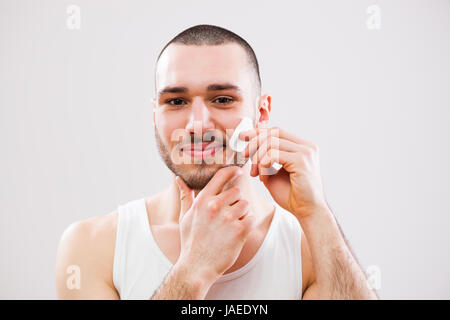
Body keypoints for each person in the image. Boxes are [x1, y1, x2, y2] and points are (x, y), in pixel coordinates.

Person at [55, 24, 379, 300]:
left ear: (260, 113)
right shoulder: (93, 247)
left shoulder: (310, 251)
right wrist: (192, 271)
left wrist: (315, 213)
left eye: (222, 99)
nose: (197, 125)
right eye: (176, 101)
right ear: (155, 115)